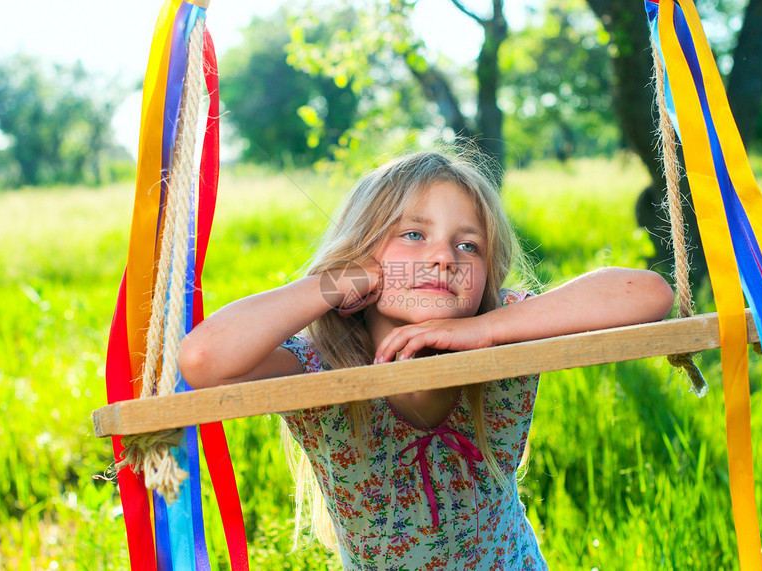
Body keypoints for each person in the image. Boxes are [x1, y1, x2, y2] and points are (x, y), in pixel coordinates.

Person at [179, 150, 674, 570]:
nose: (444, 258)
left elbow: (647, 293)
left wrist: (481, 328)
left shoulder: (503, 334)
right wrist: (339, 282)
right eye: (413, 235)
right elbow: (204, 358)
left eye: (468, 245)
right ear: (359, 253)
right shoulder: (319, 364)